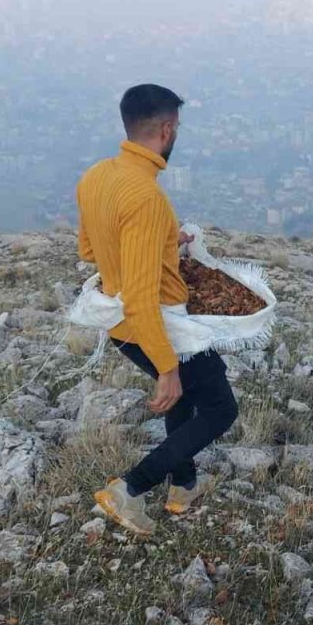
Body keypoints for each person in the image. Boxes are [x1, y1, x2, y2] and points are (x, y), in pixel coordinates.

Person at [75, 83, 238, 536]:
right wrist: (166, 365)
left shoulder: (95, 177)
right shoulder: (147, 198)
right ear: (166, 129)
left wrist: (166, 241)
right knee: (221, 408)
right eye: (178, 127)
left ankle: (182, 488)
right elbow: (143, 296)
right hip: (154, 323)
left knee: (185, 399)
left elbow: (90, 248)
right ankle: (130, 488)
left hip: (121, 327)